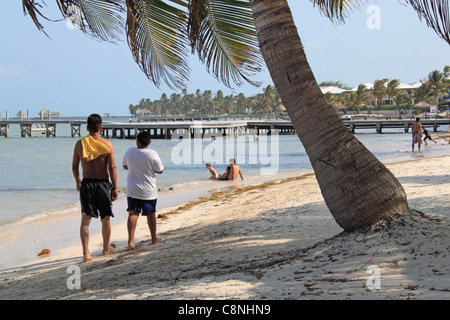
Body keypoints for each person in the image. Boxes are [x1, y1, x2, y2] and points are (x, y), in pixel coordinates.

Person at [72, 114, 118, 262]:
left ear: (87, 128)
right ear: (101, 128)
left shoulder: (80, 144)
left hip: (87, 184)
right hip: (102, 184)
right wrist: (115, 187)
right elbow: (112, 167)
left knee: (85, 221)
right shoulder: (107, 144)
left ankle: (86, 254)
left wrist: (78, 181)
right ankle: (105, 249)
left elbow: (74, 167)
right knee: (105, 219)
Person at [123, 130, 164, 250]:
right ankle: (154, 239)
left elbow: (125, 166)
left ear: (137, 141)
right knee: (150, 214)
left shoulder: (129, 151)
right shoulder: (152, 154)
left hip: (132, 189)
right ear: (149, 142)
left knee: (133, 213)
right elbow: (160, 170)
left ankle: (130, 242)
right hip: (148, 190)